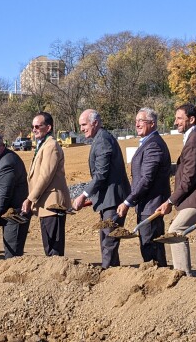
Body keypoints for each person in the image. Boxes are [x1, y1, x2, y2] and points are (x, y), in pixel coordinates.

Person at [156, 103, 196, 278]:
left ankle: (183, 278)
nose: (176, 122)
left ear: (191, 119)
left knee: (176, 230)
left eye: (179, 118)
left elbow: (189, 178)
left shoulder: (194, 140)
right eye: (176, 118)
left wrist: (170, 201)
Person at [72, 109, 131, 268]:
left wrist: (83, 195)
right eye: (80, 125)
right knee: (106, 239)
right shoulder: (100, 139)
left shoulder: (103, 140)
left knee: (109, 240)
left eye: (84, 124)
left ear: (95, 123)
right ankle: (112, 274)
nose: (82, 129)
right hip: (108, 199)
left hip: (113, 200)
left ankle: (108, 275)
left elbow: (101, 174)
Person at [116, 107, 171, 266]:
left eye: (141, 121)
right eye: (136, 121)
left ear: (152, 124)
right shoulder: (148, 143)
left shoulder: (153, 145)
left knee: (151, 247)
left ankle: (158, 280)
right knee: (149, 247)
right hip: (146, 205)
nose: (137, 124)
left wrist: (128, 201)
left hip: (151, 206)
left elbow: (147, 178)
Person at [21, 112, 71, 256]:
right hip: (45, 204)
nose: (34, 129)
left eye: (38, 126)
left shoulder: (51, 146)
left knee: (53, 249)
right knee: (49, 247)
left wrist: (30, 198)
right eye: (32, 126)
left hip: (52, 204)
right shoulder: (43, 145)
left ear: (48, 127)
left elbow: (45, 176)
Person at [0, 134, 29, 258]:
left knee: (12, 254)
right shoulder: (0, 159)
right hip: (7, 214)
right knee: (10, 250)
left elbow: (5, 194)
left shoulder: (7, 163)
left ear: (0, 146)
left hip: (14, 215)